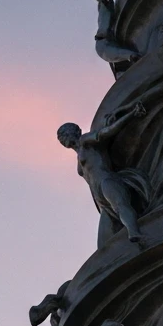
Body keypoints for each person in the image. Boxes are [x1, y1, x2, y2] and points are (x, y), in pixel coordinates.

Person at [57, 103, 149, 246]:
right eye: (60, 137)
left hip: (108, 181)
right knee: (104, 239)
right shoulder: (78, 155)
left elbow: (107, 132)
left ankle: (136, 233)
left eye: (64, 133)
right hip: (99, 197)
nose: (62, 138)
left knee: (121, 206)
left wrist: (131, 114)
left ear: (75, 131)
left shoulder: (85, 141)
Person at [86, 0, 140, 71]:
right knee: (129, 58)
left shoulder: (111, 3)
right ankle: (132, 57)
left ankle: (133, 57)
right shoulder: (105, 0)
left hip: (111, 42)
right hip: (105, 41)